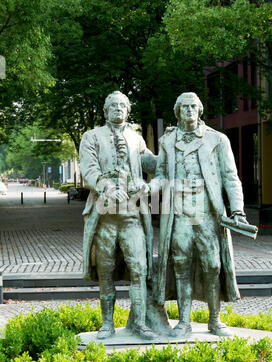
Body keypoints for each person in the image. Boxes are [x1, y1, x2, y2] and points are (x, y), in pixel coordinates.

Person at [150, 92, 248, 337]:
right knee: (180, 265)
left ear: (200, 110)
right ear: (177, 112)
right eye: (184, 107)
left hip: (207, 214)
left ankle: (215, 320)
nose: (189, 111)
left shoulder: (218, 140)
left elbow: (230, 177)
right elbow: (160, 174)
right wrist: (149, 189)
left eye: (193, 106)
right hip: (179, 214)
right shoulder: (167, 141)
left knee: (212, 265)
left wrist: (237, 209)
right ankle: (184, 322)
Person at [79, 91, 157, 340]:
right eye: (113, 105)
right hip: (104, 217)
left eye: (122, 105)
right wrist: (107, 187)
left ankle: (140, 324)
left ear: (128, 110)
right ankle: (107, 324)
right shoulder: (91, 137)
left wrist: (170, 149)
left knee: (139, 268)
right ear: (105, 110)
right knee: (105, 270)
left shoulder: (136, 139)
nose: (118, 108)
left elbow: (152, 165)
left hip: (133, 213)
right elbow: (88, 168)